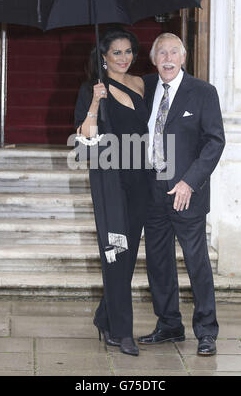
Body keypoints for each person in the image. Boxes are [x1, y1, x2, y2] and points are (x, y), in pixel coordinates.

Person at [138, 33, 225, 356]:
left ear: (184, 57)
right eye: (162, 52)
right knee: (158, 262)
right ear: (153, 58)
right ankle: (169, 325)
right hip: (152, 188)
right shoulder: (144, 88)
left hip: (186, 190)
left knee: (196, 261)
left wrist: (190, 181)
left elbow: (215, 141)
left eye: (174, 51)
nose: (168, 57)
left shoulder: (203, 92)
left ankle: (206, 330)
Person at [74, 28, 149, 356]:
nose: (124, 58)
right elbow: (83, 140)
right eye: (116, 52)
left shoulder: (141, 83)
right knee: (115, 250)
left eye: (128, 51)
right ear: (103, 57)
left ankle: (105, 316)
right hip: (109, 177)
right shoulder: (91, 90)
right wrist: (94, 101)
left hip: (141, 176)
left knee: (128, 253)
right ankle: (122, 331)